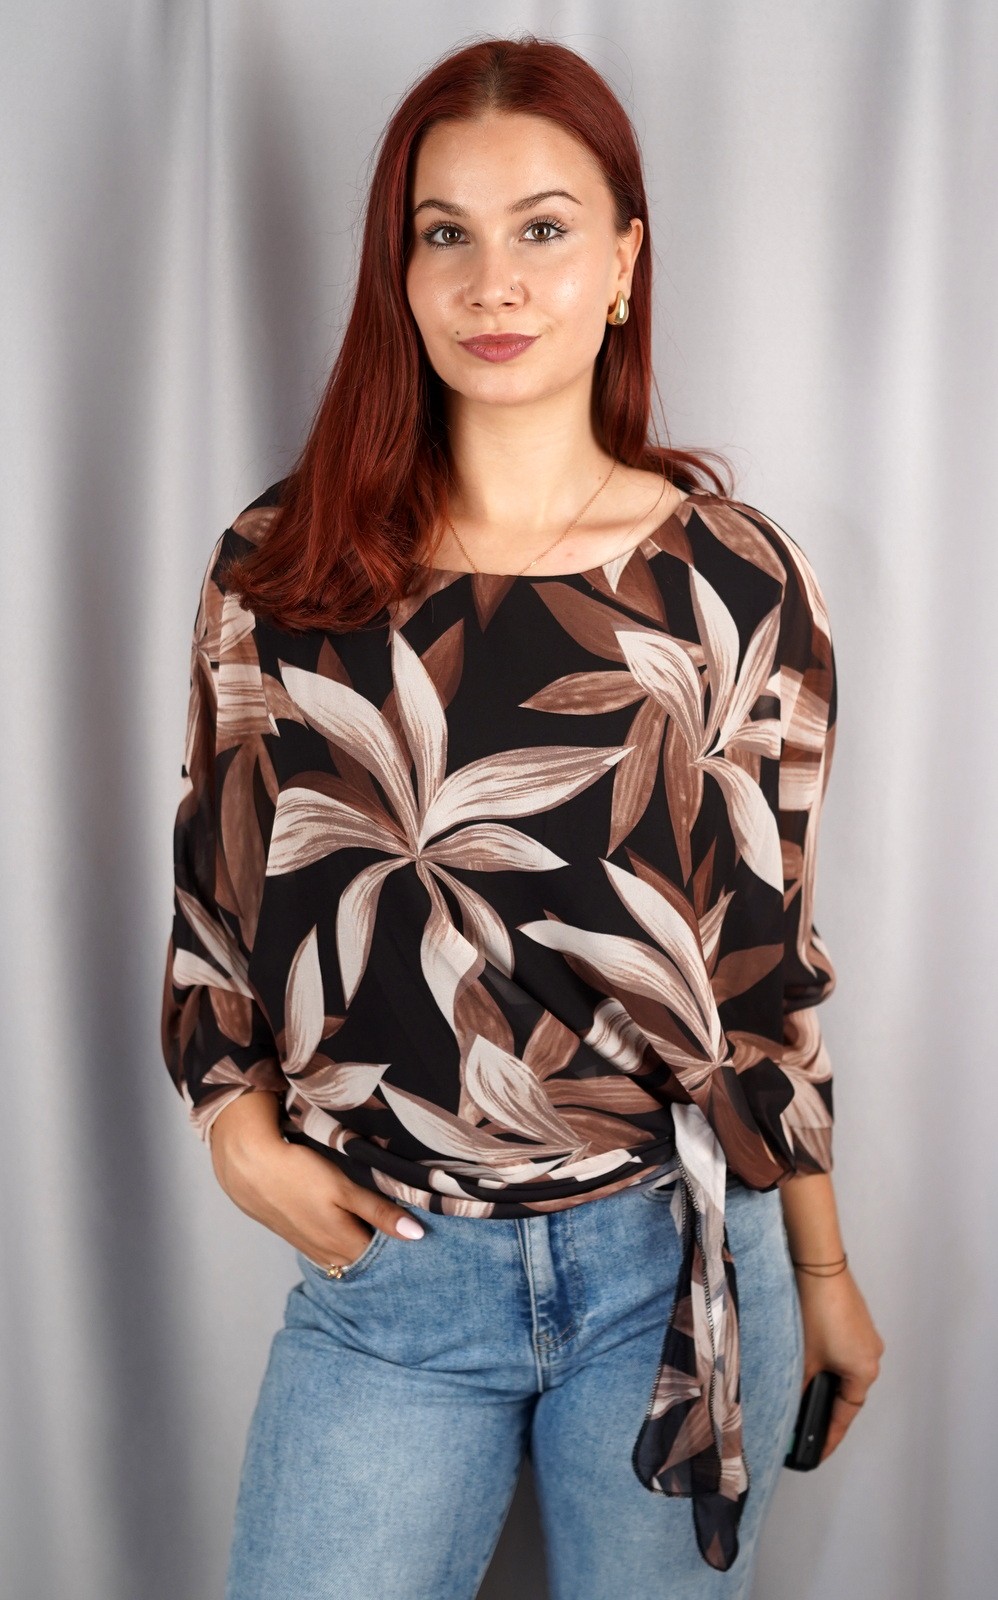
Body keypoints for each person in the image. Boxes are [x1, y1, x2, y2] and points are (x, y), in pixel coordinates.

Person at [161, 34, 885, 1600]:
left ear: (621, 265)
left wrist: (822, 1265)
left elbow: (765, 974)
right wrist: (232, 1128)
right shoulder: (283, 572)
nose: (493, 282)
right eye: (447, 233)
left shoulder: (732, 582)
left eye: (543, 229)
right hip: (391, 1283)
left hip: (671, 1268)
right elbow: (216, 893)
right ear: (401, 273)